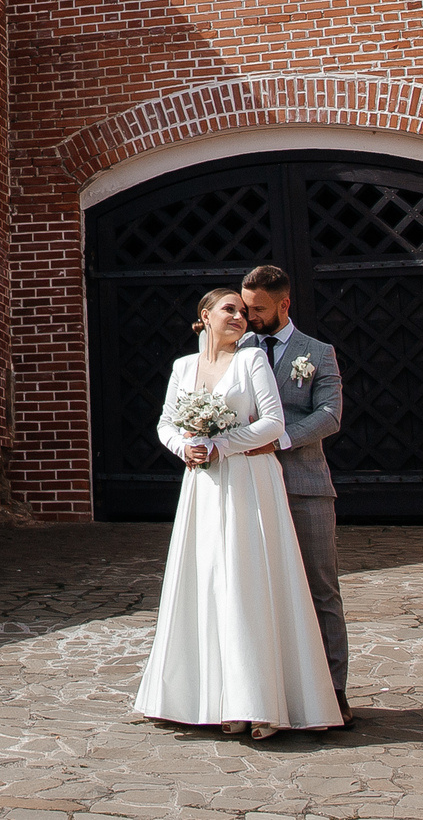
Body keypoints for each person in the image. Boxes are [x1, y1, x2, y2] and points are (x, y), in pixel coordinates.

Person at [133, 287, 342, 736]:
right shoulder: (183, 367)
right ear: (204, 316)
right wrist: (184, 447)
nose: (240, 317)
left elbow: (273, 422)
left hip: (250, 481)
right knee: (206, 582)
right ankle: (215, 700)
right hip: (203, 488)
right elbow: (167, 422)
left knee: (249, 582)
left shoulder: (253, 362)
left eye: (245, 312)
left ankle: (261, 702)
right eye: (230, 309)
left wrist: (220, 445)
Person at [239, 264, 351, 727]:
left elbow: (330, 415)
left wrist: (279, 439)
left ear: (285, 304)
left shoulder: (317, 353)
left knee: (320, 588)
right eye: (245, 308)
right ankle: (269, 695)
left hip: (304, 485)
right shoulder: (237, 348)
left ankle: (334, 692)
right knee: (257, 591)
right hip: (248, 488)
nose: (250, 317)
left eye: (259, 309)